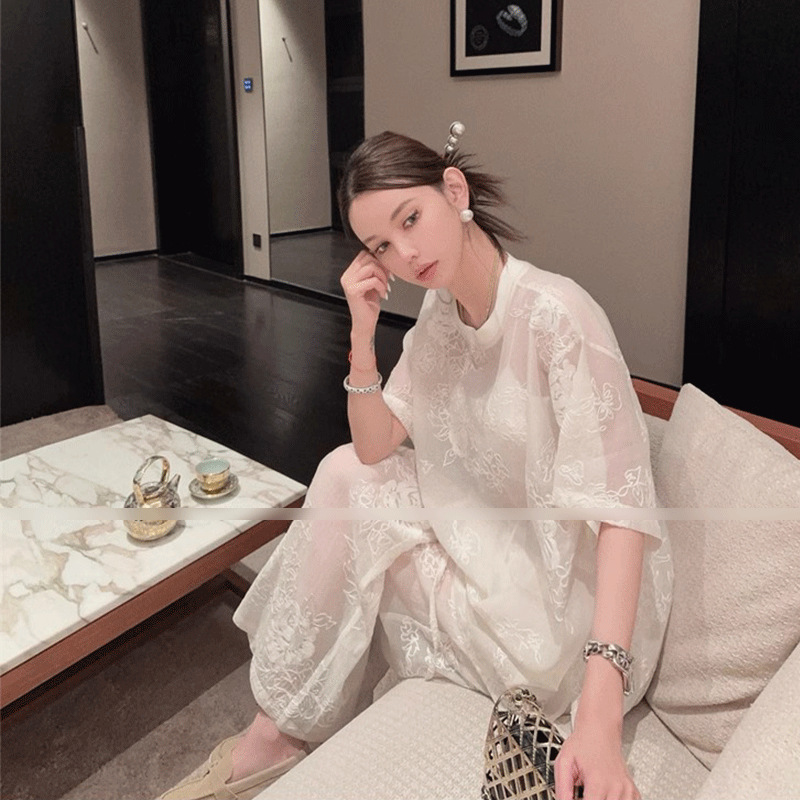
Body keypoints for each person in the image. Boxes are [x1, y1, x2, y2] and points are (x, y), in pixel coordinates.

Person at [161, 124, 673, 800]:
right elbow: (375, 446)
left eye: (410, 219)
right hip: (486, 549)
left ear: (453, 192)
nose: (403, 254)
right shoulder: (440, 314)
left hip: (565, 611)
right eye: (380, 245)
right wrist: (362, 332)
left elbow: (621, 511)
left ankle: (276, 741)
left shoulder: (558, 315)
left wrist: (600, 718)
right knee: (344, 474)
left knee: (355, 529)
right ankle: (276, 734)